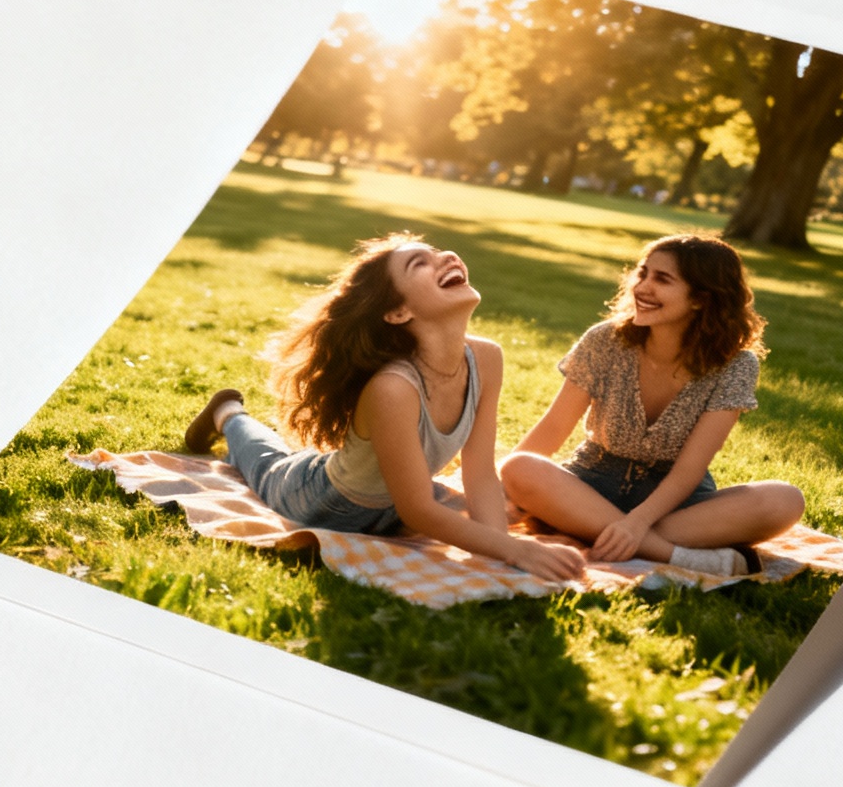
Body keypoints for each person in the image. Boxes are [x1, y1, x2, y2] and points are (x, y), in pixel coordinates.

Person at [182, 232, 585, 583]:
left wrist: (506, 553)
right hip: (329, 505)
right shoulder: (393, 388)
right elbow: (419, 509)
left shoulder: (486, 359)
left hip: (396, 503)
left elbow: (479, 471)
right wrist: (515, 552)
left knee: (489, 513)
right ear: (398, 312)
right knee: (267, 466)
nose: (445, 257)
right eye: (419, 262)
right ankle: (228, 412)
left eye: (439, 251)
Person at [500, 234, 806, 576]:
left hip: (675, 502)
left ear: (701, 299)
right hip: (590, 483)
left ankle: (588, 530)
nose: (642, 287)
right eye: (643, 274)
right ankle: (675, 556)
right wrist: (501, 490)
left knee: (785, 500)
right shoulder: (605, 340)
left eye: (662, 279)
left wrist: (636, 523)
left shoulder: (736, 364)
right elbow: (554, 427)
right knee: (519, 467)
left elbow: (690, 469)